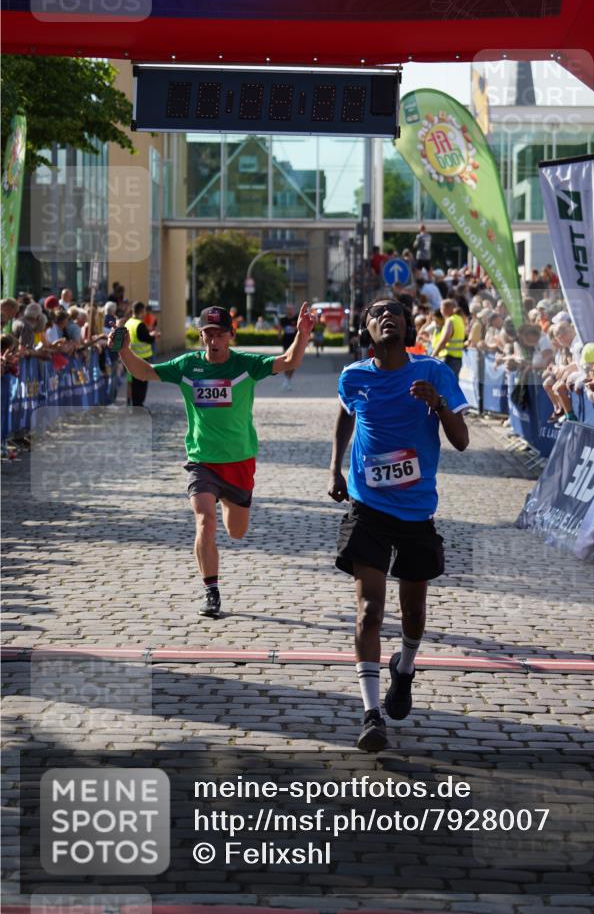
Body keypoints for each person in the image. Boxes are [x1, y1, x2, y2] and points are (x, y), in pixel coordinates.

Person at [112, 302, 315, 619]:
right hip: (201, 459)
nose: (213, 340)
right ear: (201, 335)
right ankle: (211, 591)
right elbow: (144, 372)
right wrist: (124, 351)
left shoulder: (246, 365)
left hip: (239, 461)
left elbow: (290, 360)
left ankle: (227, 504)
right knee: (205, 522)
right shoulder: (187, 366)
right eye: (208, 334)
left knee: (236, 532)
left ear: (230, 335)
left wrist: (302, 334)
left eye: (220, 334)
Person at [328, 297, 469, 752]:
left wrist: (440, 404)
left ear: (408, 326)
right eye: (375, 313)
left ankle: (404, 669)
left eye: (395, 312)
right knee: (370, 610)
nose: (386, 316)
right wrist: (335, 468)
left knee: (413, 613)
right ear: (366, 329)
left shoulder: (432, 372)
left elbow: (462, 441)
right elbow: (345, 418)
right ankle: (371, 715)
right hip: (368, 506)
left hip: (416, 511)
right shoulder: (353, 376)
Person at [124, 301, 159, 407]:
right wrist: (154, 336)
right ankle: (138, 405)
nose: (145, 313)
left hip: (130, 357)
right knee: (141, 383)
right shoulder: (139, 324)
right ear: (141, 311)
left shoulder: (129, 322)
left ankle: (135, 404)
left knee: (134, 383)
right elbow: (146, 338)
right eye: (144, 311)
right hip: (141, 359)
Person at [431, 299, 466, 380]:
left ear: (445, 308)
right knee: (452, 385)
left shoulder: (450, 320)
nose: (440, 310)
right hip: (458, 358)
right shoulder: (459, 319)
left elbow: (444, 340)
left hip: (448, 358)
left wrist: (433, 354)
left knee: (444, 386)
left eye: (441, 308)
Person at [279, 304, 298, 391]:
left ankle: (288, 380)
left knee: (294, 362)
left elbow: (300, 329)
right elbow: (280, 329)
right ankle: (286, 379)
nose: (290, 311)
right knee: (287, 361)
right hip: (286, 343)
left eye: (291, 309)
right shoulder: (283, 319)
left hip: (295, 343)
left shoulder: (297, 318)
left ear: (293, 310)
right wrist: (279, 335)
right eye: (288, 309)